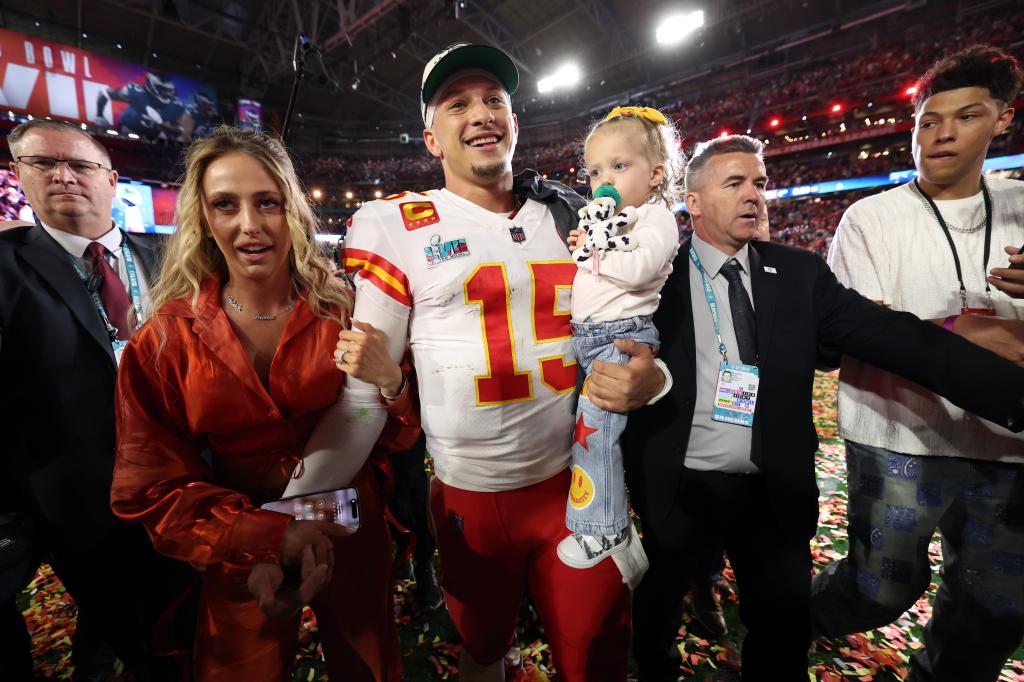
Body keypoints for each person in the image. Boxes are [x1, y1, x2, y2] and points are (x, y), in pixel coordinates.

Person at [302, 43, 662, 681]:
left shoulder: (573, 215)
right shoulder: (396, 225)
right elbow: (362, 395)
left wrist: (652, 379)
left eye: (495, 99)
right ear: (431, 136)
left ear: (516, 122)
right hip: (471, 495)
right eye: (457, 103)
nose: (481, 113)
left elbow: (648, 326)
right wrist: (293, 503)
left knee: (595, 656)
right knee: (483, 649)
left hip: (574, 483)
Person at [619, 133, 1024, 681]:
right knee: (657, 606)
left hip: (770, 486)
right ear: (691, 202)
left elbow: (897, 339)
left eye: (759, 183)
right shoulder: (649, 278)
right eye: (734, 183)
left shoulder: (800, 274)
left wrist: (1012, 394)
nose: (753, 196)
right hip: (678, 480)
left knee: (782, 625)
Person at [110, 126, 417, 682]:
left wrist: (392, 383)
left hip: (349, 524)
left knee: (370, 666)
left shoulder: (350, 312)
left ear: (292, 211)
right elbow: (150, 486)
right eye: (225, 204)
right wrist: (264, 538)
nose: (249, 225)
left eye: (267, 203)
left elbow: (400, 433)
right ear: (203, 217)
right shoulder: (161, 341)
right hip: (236, 540)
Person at [810, 45, 1024, 682]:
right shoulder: (870, 218)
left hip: (1009, 444)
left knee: (996, 607)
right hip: (898, 432)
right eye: (928, 122)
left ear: (1003, 121)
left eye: (966, 116)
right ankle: (790, 616)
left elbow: (897, 328)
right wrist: (978, 329)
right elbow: (866, 333)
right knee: (879, 589)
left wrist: (929, 328)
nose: (942, 134)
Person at [0, 119, 194, 680]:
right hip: (80, 501)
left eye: (80, 165)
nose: (63, 176)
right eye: (43, 163)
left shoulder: (172, 257)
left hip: (183, 480)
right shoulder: (6, 267)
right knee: (135, 632)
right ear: (20, 176)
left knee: (182, 620)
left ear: (112, 180)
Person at [556, 105, 681, 568]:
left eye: (619, 166)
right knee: (585, 431)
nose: (603, 179)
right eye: (594, 171)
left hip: (620, 339)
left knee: (596, 434)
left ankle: (603, 529)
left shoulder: (656, 218)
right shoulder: (615, 219)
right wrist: (588, 243)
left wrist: (593, 248)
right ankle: (617, 527)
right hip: (589, 337)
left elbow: (635, 270)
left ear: (655, 175)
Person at [95, 73, 188, 142]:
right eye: (163, 89)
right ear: (151, 85)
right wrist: (100, 115)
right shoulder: (137, 93)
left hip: (152, 138)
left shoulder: (176, 105)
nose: (168, 93)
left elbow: (179, 131)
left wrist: (161, 123)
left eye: (169, 90)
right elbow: (104, 93)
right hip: (127, 131)